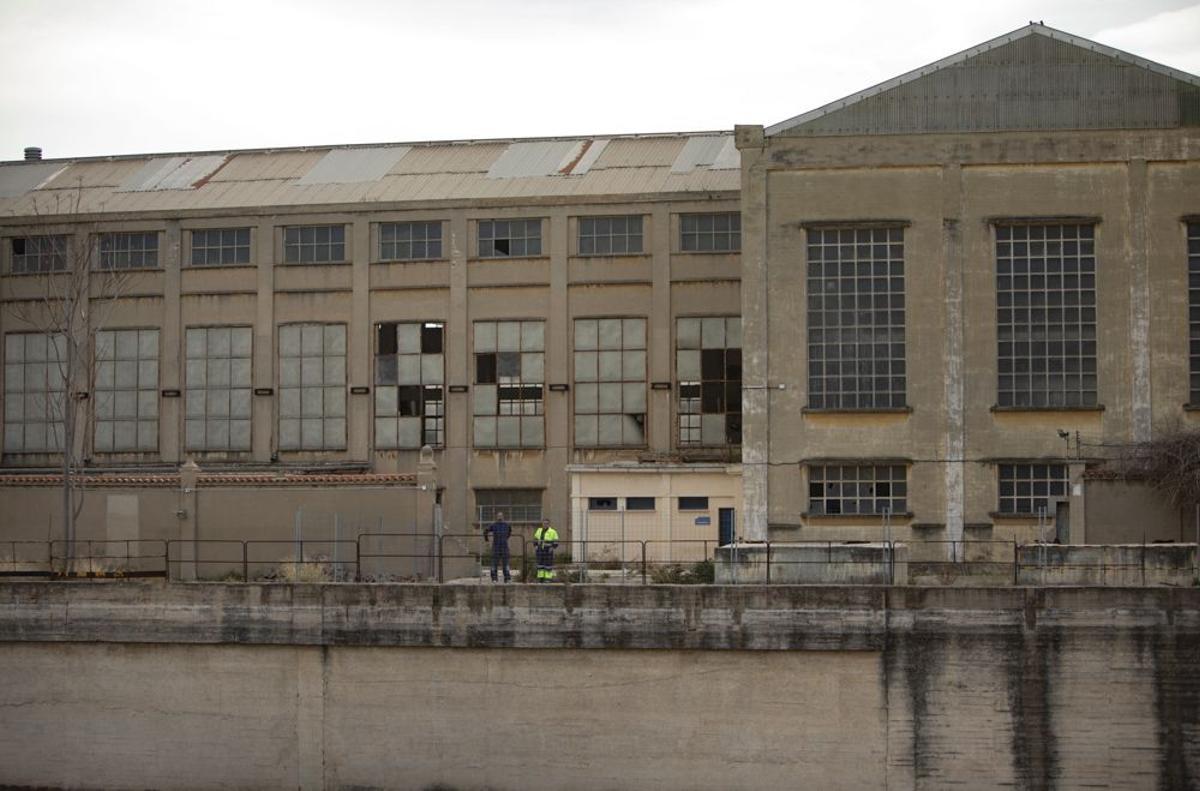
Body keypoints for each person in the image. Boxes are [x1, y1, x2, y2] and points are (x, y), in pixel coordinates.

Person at [483, 511, 512, 583]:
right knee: (494, 563)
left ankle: (507, 578)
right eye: (498, 516)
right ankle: (494, 578)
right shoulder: (494, 525)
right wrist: (486, 540)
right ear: (496, 517)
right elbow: (486, 531)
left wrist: (505, 538)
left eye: (501, 516)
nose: (500, 517)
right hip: (496, 546)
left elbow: (509, 532)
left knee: (506, 563)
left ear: (503, 517)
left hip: (504, 546)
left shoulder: (506, 525)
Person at [532, 518, 559, 583]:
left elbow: (556, 541)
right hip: (540, 549)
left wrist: (552, 547)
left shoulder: (553, 531)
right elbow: (535, 539)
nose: (545, 524)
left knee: (548, 564)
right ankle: (540, 578)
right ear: (542, 524)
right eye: (544, 523)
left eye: (547, 523)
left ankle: (547, 578)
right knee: (540, 563)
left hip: (548, 550)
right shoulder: (539, 530)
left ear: (549, 524)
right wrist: (535, 546)